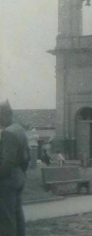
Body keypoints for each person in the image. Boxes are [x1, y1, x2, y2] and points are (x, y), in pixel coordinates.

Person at [0, 100, 30, 236]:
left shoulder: (7, 133)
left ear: (6, 115)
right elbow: (27, 156)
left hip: (8, 181)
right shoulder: (19, 129)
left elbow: (7, 162)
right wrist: (21, 173)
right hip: (19, 178)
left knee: (7, 219)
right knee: (18, 216)